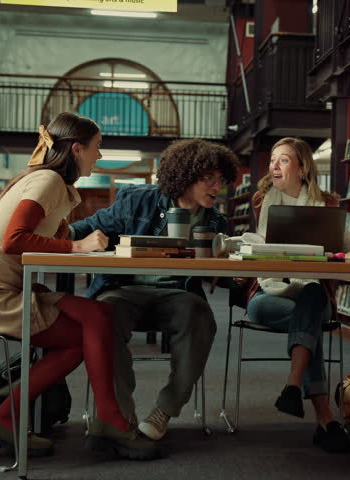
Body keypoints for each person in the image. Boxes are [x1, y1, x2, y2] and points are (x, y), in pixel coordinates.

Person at [0, 112, 159, 460]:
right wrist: (77, 246)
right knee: (83, 336)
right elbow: (15, 240)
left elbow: (41, 233)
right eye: (96, 148)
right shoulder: (47, 182)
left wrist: (71, 238)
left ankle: (92, 418)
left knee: (97, 314)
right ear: (76, 149)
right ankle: (101, 420)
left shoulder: (50, 182)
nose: (99, 156)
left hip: (5, 287)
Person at [69, 138, 240, 442]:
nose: (217, 187)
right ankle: (120, 415)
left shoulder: (216, 220)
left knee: (200, 315)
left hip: (178, 294)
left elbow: (220, 272)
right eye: (208, 178)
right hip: (125, 289)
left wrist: (235, 276)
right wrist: (59, 235)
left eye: (222, 180)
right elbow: (90, 226)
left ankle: (164, 410)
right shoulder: (138, 199)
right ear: (186, 175)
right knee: (103, 315)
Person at [244, 137, 350, 454]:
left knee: (310, 296)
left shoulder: (327, 204)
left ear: (303, 167)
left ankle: (300, 394)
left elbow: (345, 245)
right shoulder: (264, 200)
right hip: (268, 295)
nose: (274, 166)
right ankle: (322, 416)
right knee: (312, 317)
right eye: (272, 160)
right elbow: (259, 245)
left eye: (283, 160)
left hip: (309, 295)